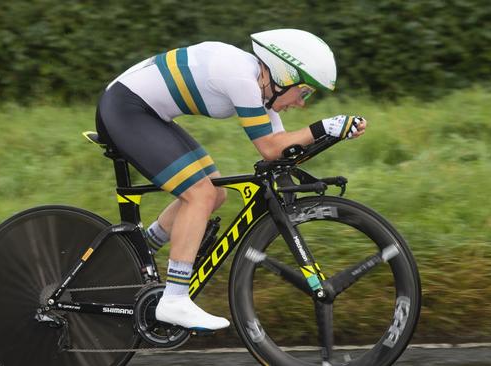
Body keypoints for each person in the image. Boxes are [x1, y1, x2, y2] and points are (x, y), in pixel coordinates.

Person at [95, 28, 367, 331]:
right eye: (304, 92)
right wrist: (325, 127)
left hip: (147, 113)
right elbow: (269, 147)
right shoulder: (241, 78)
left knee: (215, 193)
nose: (302, 103)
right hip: (126, 109)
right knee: (200, 195)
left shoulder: (258, 84)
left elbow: (278, 151)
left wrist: (333, 135)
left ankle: (139, 250)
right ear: (284, 76)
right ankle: (173, 300)